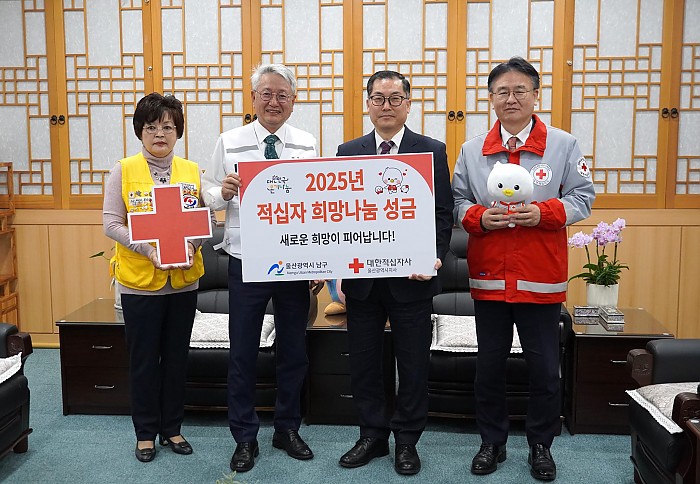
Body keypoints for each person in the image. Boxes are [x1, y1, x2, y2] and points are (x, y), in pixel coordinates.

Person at [452, 57, 596, 481]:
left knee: (544, 370)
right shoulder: (472, 149)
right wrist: (479, 217)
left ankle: (541, 445)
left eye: (520, 90)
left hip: (540, 277)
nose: (511, 98)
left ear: (536, 95)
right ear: (491, 98)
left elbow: (583, 198)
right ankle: (491, 442)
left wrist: (545, 212)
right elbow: (457, 202)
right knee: (489, 368)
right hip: (490, 277)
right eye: (502, 91)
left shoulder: (563, 145)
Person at [201, 63, 323, 473]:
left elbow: (317, 204)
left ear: (293, 101)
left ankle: (287, 428)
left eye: (282, 95)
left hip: (293, 261)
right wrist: (222, 191)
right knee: (243, 352)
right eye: (266, 94)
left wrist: (318, 260)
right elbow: (207, 191)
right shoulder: (230, 141)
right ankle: (244, 437)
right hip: (246, 260)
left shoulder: (306, 143)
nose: (274, 102)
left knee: (294, 351)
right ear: (253, 98)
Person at [336, 70, 453, 476]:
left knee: (413, 365)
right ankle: (372, 435)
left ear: (408, 103)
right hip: (363, 281)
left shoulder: (431, 150)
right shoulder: (348, 151)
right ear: (368, 103)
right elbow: (339, 213)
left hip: (412, 281)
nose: (386, 106)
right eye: (379, 98)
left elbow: (442, 213)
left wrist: (432, 257)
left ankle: (407, 440)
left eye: (395, 98)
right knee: (365, 364)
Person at [103, 93, 208, 463]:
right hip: (139, 284)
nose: (159, 134)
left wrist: (192, 245)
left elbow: (201, 221)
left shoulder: (192, 171)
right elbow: (111, 223)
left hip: (183, 282)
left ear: (178, 131)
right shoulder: (123, 170)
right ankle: (145, 433)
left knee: (177, 359)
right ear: (140, 131)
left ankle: (173, 428)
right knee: (144, 361)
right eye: (151, 127)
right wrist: (148, 250)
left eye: (167, 126)